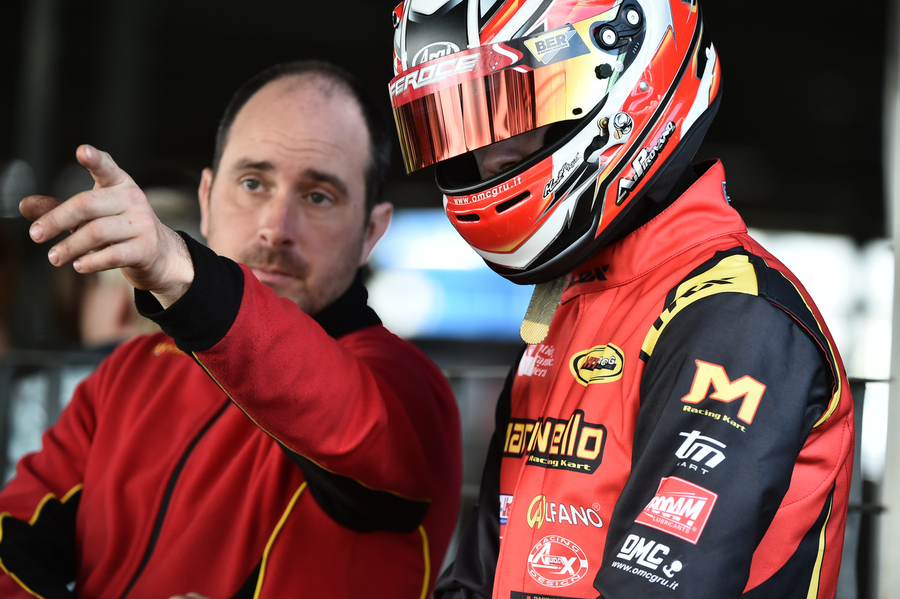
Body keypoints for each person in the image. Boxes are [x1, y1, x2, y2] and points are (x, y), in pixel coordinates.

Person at [386, 1, 854, 598]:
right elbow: (477, 580)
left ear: (625, 81)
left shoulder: (734, 317)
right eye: (459, 125)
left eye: (510, 109)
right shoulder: (567, 305)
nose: (486, 157)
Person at [0, 60, 462, 599]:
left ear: (371, 231)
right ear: (206, 199)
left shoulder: (406, 389)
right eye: (252, 183)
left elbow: (344, 420)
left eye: (319, 196)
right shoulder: (126, 373)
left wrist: (180, 271)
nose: (276, 227)